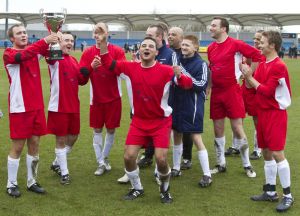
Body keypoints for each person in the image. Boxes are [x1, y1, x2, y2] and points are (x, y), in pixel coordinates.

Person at [97, 25, 192, 202]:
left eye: (151, 46)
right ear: (139, 50)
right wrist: (103, 43)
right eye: (143, 46)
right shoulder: (130, 68)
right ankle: (137, 188)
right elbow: (108, 63)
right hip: (139, 121)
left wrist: (180, 76)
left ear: (157, 53)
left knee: (161, 160)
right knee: (129, 156)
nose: (146, 48)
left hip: (160, 122)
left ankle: (164, 189)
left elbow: (187, 85)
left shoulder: (166, 70)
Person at [240, 30, 294, 213]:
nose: (258, 44)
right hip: (263, 113)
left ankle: (288, 195)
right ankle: (270, 191)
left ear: (272, 45)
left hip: (275, 114)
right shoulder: (263, 64)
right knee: (266, 152)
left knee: (278, 153)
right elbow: (253, 89)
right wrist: (247, 76)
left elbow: (266, 91)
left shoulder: (278, 66)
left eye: (262, 42)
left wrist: (249, 77)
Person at [3, 24, 58, 197]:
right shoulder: (9, 54)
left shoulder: (33, 52)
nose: (23, 35)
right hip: (20, 108)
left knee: (35, 144)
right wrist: (44, 41)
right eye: (19, 33)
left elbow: (52, 59)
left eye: (25, 32)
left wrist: (56, 43)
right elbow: (24, 55)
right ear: (12, 38)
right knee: (18, 147)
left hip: (36, 107)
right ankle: (11, 184)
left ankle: (31, 181)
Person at [118, 24, 177, 184]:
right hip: (139, 110)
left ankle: (160, 174)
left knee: (161, 155)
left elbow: (178, 78)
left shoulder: (170, 55)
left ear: (159, 38)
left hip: (160, 112)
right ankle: (135, 177)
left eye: (151, 36)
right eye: (145, 39)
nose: (148, 39)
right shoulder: (138, 59)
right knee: (131, 151)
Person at [207, 17, 261, 178]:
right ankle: (220, 163)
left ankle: (247, 165)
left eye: (214, 26)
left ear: (223, 29)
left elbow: (257, 55)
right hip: (217, 92)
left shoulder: (236, 44)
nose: (211, 28)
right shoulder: (210, 48)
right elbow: (212, 68)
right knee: (218, 128)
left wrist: (249, 74)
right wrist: (209, 86)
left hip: (232, 91)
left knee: (237, 128)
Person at [79, 22, 126, 176]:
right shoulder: (87, 52)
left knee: (111, 130)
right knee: (97, 129)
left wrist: (109, 62)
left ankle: (104, 158)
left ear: (107, 33)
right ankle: (100, 162)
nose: (97, 35)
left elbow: (122, 70)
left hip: (114, 99)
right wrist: (91, 67)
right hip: (96, 100)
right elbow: (81, 76)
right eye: (95, 32)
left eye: (101, 32)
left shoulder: (118, 51)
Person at [171, 35, 211, 186]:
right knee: (176, 134)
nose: (184, 48)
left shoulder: (201, 64)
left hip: (192, 106)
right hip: (176, 103)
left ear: (195, 48)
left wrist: (182, 73)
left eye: (187, 45)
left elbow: (201, 84)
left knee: (196, 137)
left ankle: (207, 174)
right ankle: (175, 167)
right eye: (183, 45)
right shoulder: (176, 59)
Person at [47, 32, 86, 184]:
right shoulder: (55, 58)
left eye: (71, 41)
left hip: (73, 105)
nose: (70, 43)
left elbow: (81, 81)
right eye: (66, 40)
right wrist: (55, 34)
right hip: (59, 106)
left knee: (74, 136)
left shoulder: (74, 60)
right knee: (61, 139)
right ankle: (65, 173)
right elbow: (51, 55)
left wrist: (88, 71)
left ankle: (56, 162)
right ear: (59, 42)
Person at [225, 30, 264, 160]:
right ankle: (236, 145)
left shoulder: (265, 56)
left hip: (257, 91)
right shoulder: (248, 52)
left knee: (257, 119)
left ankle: (258, 149)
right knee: (237, 116)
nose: (256, 41)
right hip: (244, 89)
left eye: (259, 39)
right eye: (255, 38)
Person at [168, 26, 194, 170]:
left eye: (174, 34)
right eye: (169, 34)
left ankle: (187, 157)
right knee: (172, 127)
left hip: (185, 93)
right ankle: (150, 154)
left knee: (186, 128)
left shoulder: (185, 52)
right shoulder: (166, 51)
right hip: (171, 93)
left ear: (181, 37)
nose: (170, 37)